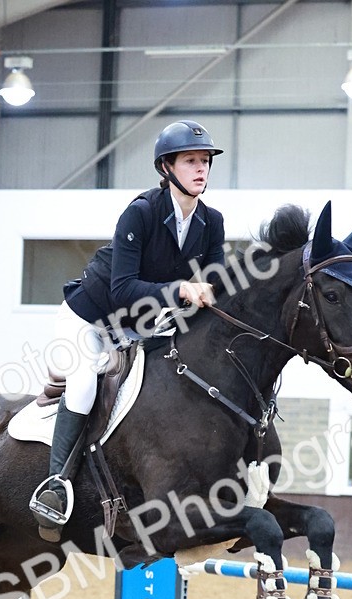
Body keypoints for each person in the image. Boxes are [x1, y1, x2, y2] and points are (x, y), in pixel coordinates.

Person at [30, 119, 226, 536]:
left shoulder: (212, 222)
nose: (201, 169)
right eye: (190, 160)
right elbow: (122, 289)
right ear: (167, 168)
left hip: (137, 330)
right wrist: (181, 291)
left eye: (205, 161)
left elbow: (216, 286)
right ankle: (57, 486)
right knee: (83, 384)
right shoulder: (141, 212)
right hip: (89, 319)